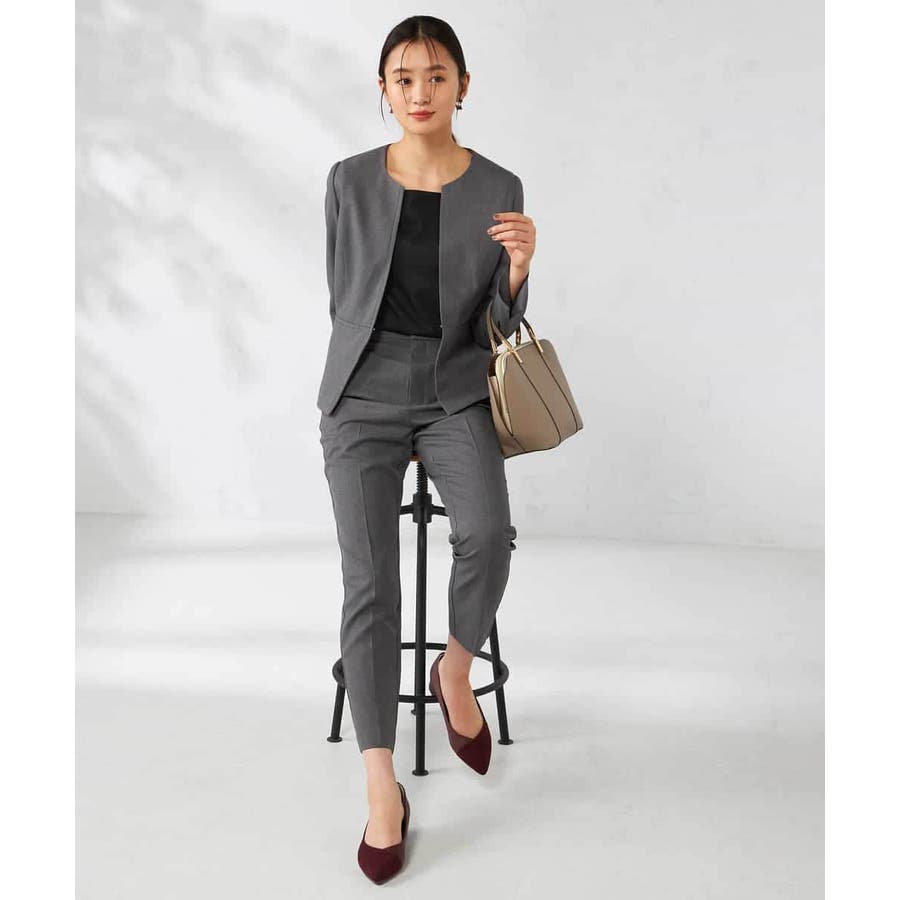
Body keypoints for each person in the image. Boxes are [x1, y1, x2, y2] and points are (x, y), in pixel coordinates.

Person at [316, 15, 536, 883]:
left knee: (486, 533)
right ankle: (382, 788)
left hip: (454, 389)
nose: (419, 92)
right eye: (402, 78)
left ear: (462, 86)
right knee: (370, 582)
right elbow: (343, 299)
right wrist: (367, 382)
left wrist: (517, 272)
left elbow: (498, 323)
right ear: (383, 88)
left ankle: (455, 668)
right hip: (362, 394)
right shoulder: (348, 180)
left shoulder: (499, 185)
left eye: (436, 76)